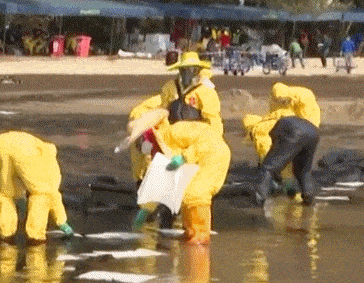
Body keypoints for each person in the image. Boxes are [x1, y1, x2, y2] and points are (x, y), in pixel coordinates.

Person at [131, 109, 231, 245]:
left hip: (214, 155)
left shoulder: (176, 132)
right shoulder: (161, 148)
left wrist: (184, 157)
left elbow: (208, 141)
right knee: (187, 194)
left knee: (196, 194)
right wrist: (146, 209)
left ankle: (200, 236)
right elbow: (159, 179)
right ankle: (191, 233)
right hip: (200, 158)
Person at [128, 51, 222, 185]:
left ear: (198, 70)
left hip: (194, 140)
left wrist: (205, 145)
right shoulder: (170, 88)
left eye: (192, 69)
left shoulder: (206, 92)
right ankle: (143, 182)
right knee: (143, 145)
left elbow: (214, 124)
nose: (188, 73)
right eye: (184, 69)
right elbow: (162, 113)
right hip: (172, 136)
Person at [242, 82, 321, 206]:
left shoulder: (258, 129)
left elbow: (265, 151)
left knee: (268, 168)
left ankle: (259, 200)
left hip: (294, 131)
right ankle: (308, 199)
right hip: (312, 131)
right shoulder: (283, 111)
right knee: (303, 171)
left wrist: (266, 164)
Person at [0, 131, 74, 244]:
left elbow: (18, 177)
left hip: (1, 144)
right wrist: (62, 223)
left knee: (4, 192)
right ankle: (35, 237)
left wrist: (21, 200)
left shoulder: (42, 150)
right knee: (41, 196)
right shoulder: (50, 169)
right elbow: (52, 196)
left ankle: (6, 234)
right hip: (25, 153)